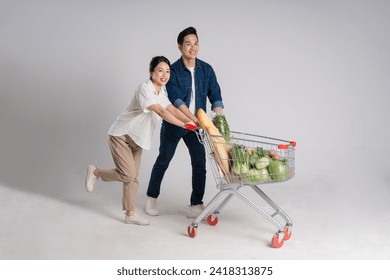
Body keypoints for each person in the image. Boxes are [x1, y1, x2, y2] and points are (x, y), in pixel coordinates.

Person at [85, 56, 196, 225]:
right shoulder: (144, 89)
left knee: (133, 177)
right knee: (127, 174)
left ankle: (130, 214)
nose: (164, 74)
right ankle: (96, 173)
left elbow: (171, 108)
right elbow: (161, 112)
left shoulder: (162, 93)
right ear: (151, 72)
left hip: (138, 140)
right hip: (121, 135)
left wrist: (190, 121)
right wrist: (184, 125)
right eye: (160, 70)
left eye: (167, 71)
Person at [145, 27, 224, 218]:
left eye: (196, 43)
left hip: (197, 127)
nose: (193, 47)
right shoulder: (172, 70)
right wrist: (192, 119)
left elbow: (216, 95)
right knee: (163, 160)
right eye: (188, 43)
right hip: (175, 123)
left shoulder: (207, 69)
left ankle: (196, 204)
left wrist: (218, 118)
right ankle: (151, 199)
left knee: (200, 163)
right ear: (180, 47)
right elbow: (176, 100)